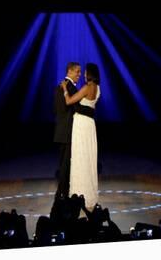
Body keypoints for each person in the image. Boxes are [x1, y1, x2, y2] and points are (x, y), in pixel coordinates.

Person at [61, 62, 101, 210]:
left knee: (79, 157)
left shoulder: (86, 87)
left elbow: (69, 101)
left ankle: (79, 194)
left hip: (81, 125)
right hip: (90, 125)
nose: (83, 75)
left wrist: (65, 89)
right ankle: (89, 194)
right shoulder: (97, 88)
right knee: (88, 158)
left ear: (90, 74)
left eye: (85, 72)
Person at [53, 62, 82, 198]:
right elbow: (75, 107)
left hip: (61, 130)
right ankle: (62, 194)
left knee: (64, 163)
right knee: (65, 164)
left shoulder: (61, 86)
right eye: (77, 72)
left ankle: (63, 192)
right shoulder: (69, 87)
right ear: (70, 71)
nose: (79, 75)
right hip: (68, 131)